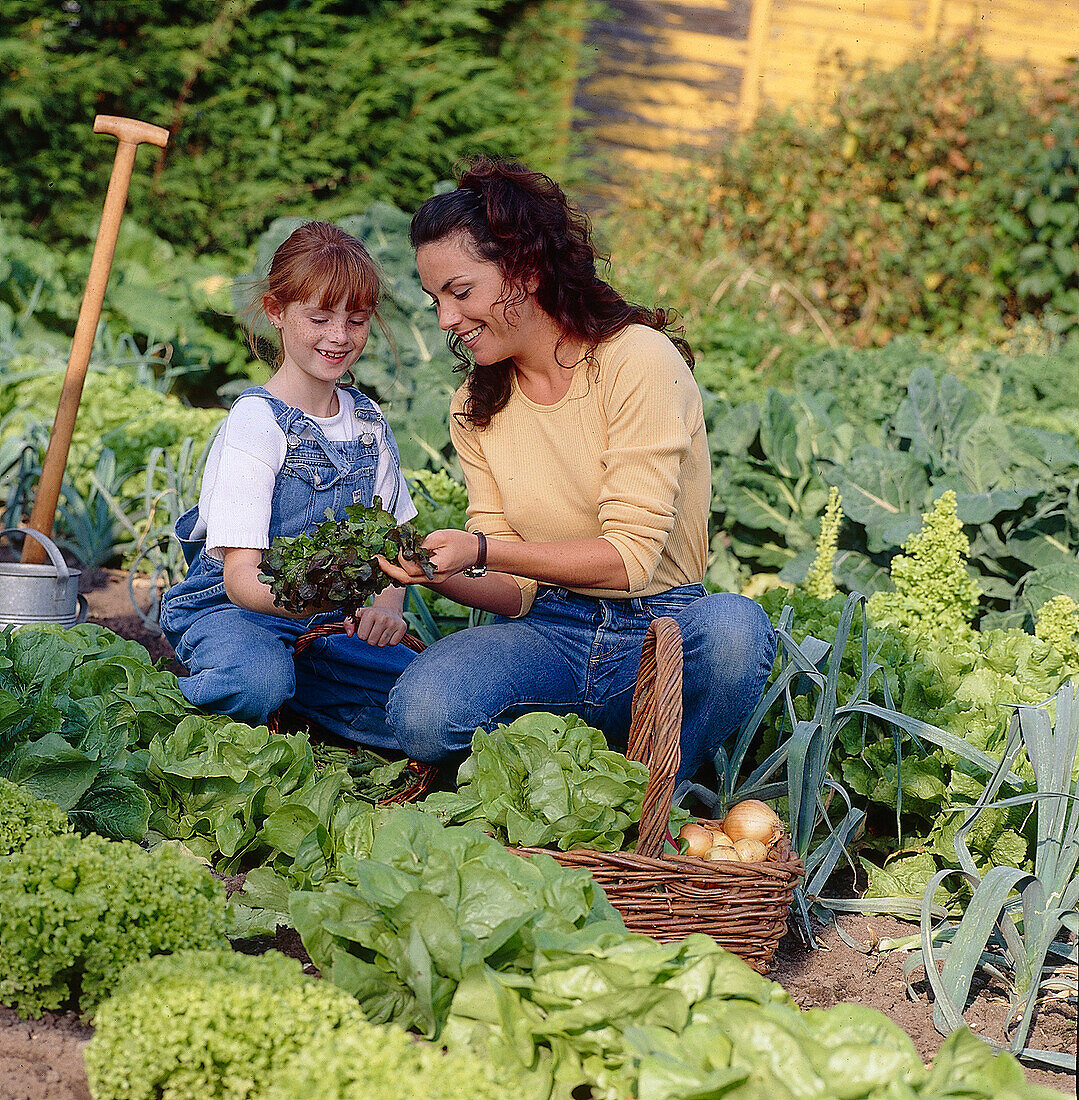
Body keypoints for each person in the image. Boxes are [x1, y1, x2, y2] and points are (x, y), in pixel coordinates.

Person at [379, 157, 776, 781]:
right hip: (552, 634)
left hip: (661, 632)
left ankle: (662, 791)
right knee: (422, 710)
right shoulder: (475, 406)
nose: (446, 321)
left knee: (734, 632)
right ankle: (589, 773)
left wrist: (482, 547)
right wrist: (431, 571)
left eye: (461, 293)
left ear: (527, 272)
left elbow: (628, 559)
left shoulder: (635, 360)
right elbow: (513, 591)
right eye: (435, 300)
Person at [160, 220, 417, 749]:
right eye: (319, 318)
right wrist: (311, 603)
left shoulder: (369, 423)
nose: (339, 336)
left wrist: (388, 605)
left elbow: (394, 550)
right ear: (276, 311)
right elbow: (240, 580)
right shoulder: (257, 423)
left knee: (422, 692)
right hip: (236, 612)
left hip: (328, 622)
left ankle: (300, 707)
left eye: (356, 319)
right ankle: (175, 712)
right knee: (257, 678)